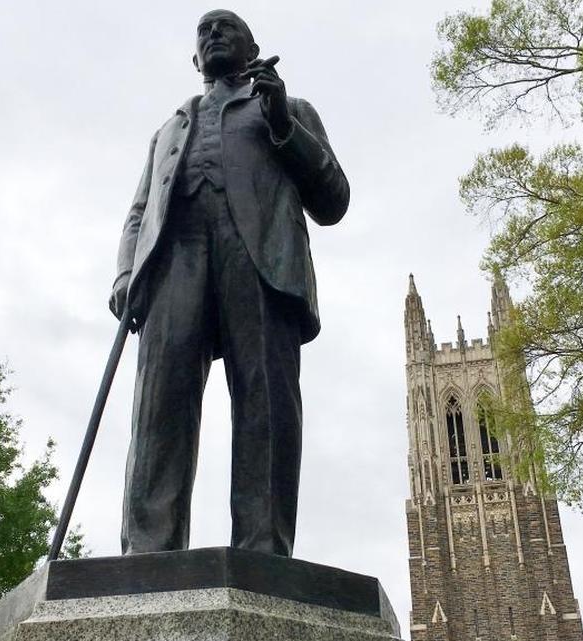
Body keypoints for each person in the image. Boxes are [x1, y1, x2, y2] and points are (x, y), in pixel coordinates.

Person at [108, 9, 348, 557]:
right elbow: (139, 212)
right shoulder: (170, 128)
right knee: (159, 403)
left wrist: (283, 124)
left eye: (226, 26)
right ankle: (148, 550)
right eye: (203, 31)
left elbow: (334, 201)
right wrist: (126, 271)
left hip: (260, 259)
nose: (213, 33)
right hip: (176, 261)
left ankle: (263, 549)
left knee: (266, 401)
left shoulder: (289, 109)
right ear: (196, 59)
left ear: (254, 46)